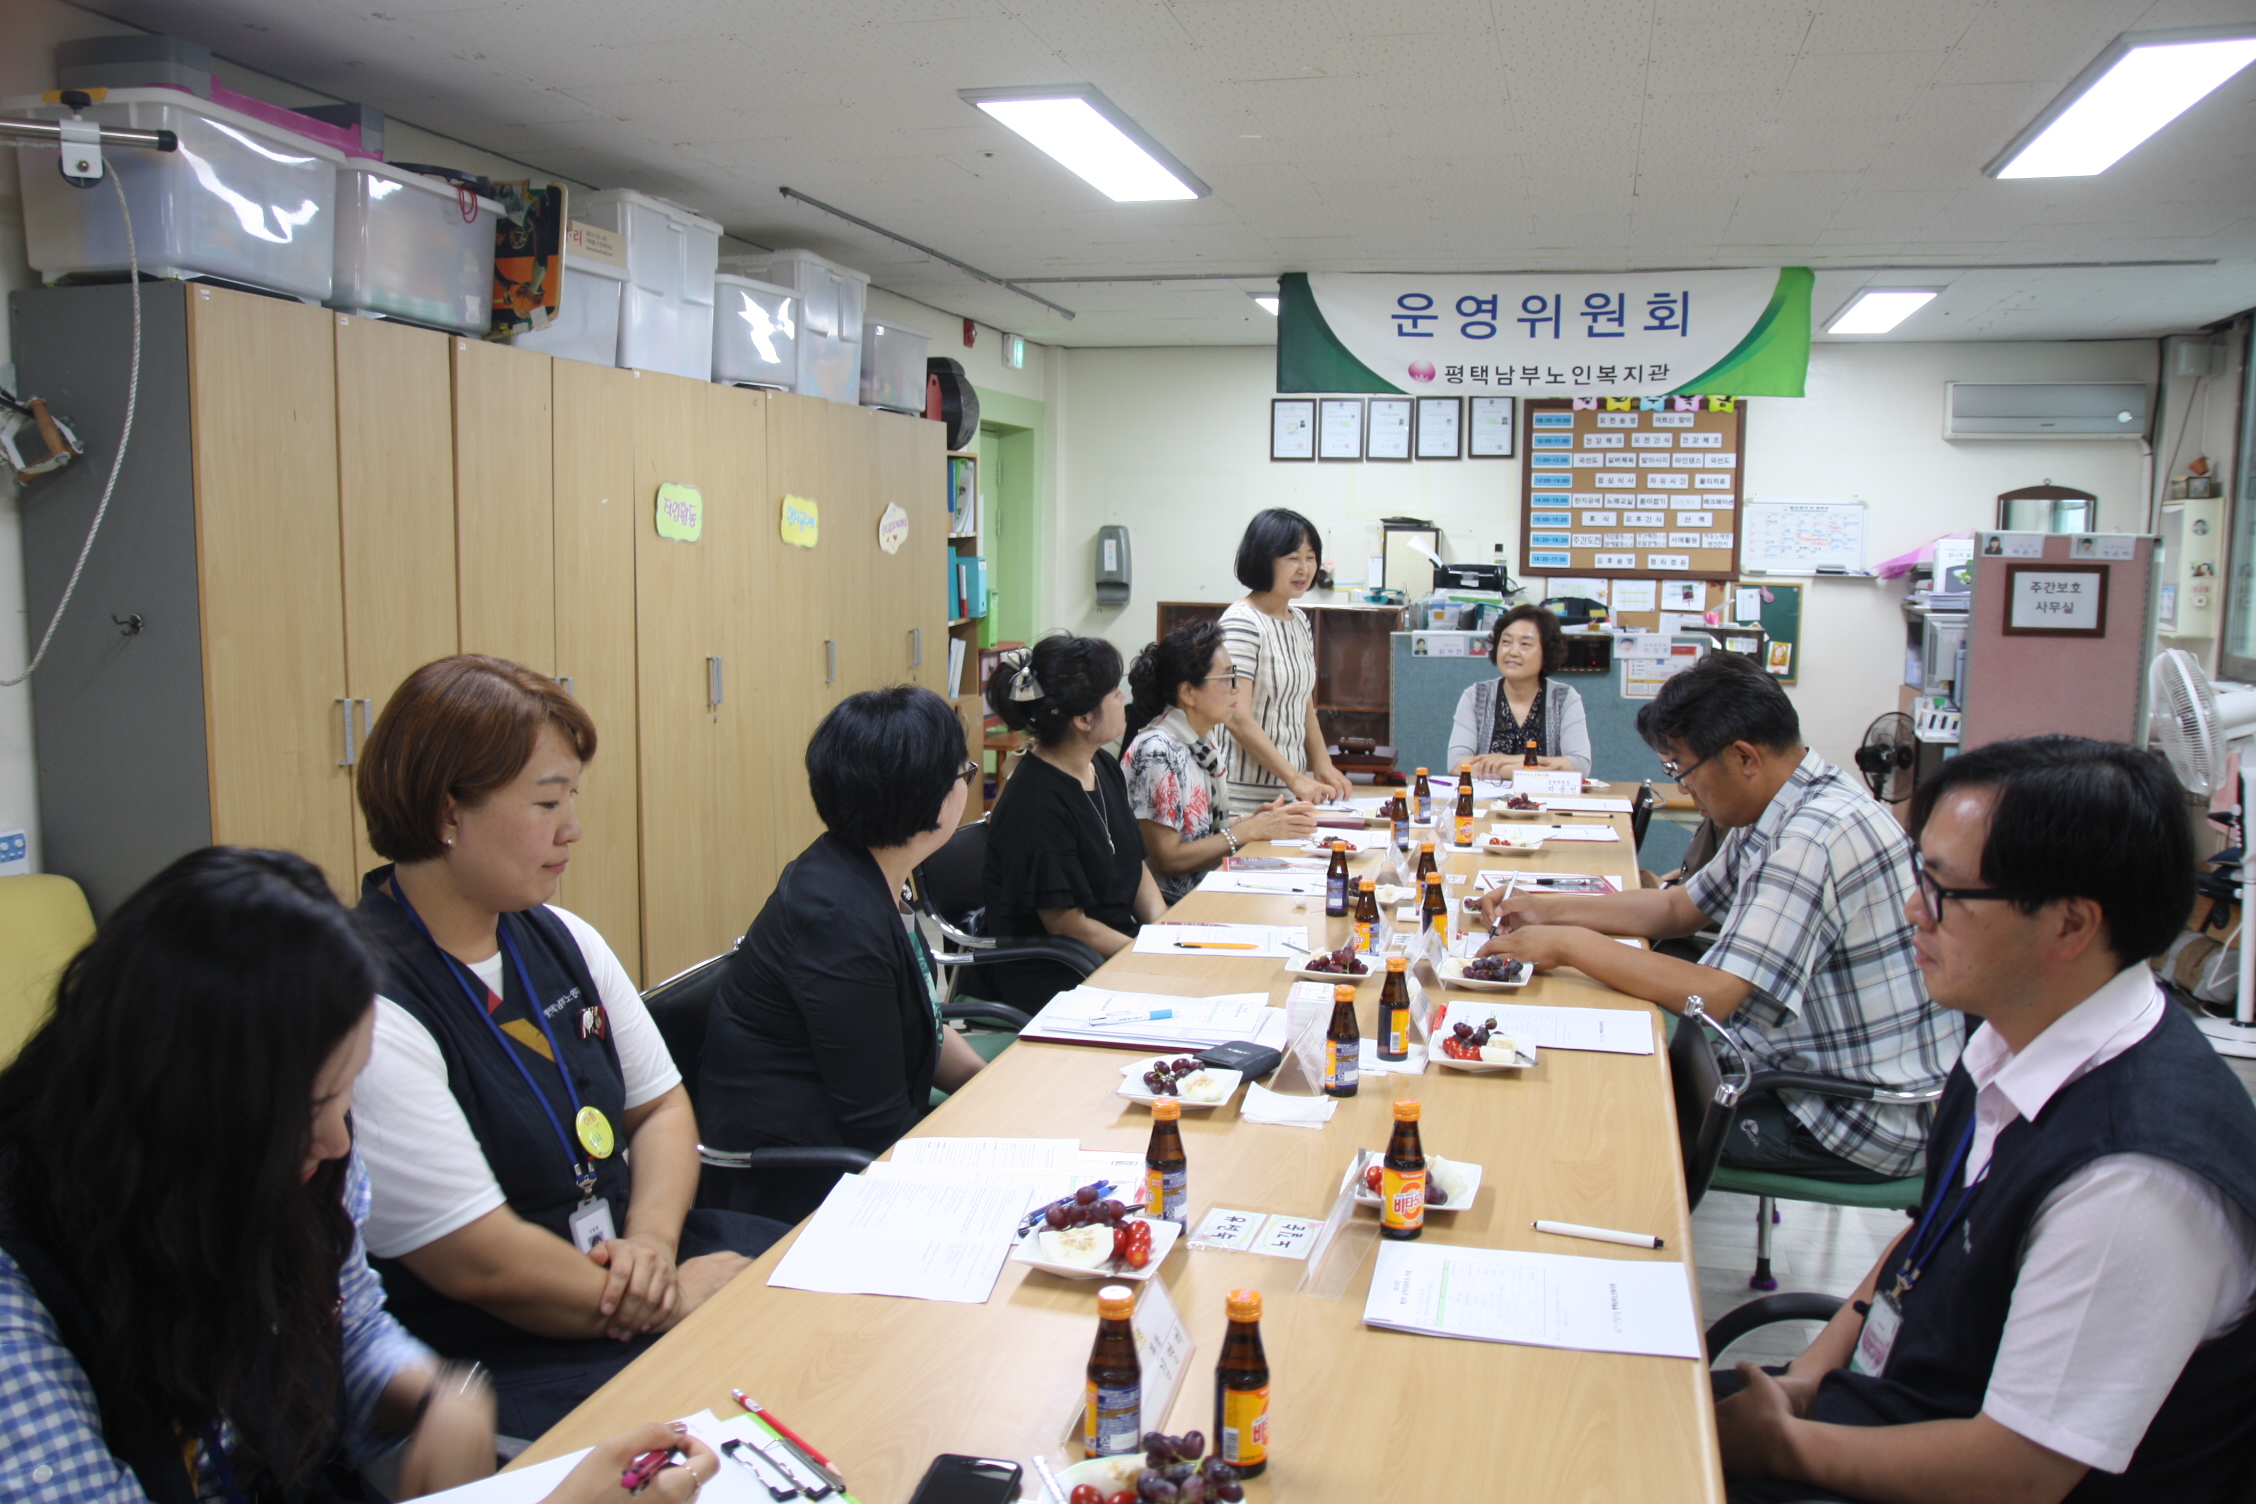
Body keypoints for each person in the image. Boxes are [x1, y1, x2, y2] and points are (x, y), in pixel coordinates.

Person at [0, 845, 718, 1504]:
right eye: (308, 1110)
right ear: (189, 1109)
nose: (337, 1141)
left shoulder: (297, 1164)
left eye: (344, 1099)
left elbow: (349, 1327)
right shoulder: (21, 1285)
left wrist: (435, 1395)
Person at [1714, 736, 2256, 1504]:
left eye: (1944, 890)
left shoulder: (2134, 1177)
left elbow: (2017, 1474)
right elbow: (1924, 1240)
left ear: (2070, 924)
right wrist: (1804, 1381)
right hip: (1890, 1407)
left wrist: (1784, 1445)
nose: (1913, 911)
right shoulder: (2010, 1038)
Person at [349, 655, 785, 1440]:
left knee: (810, 1292)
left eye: (572, 799)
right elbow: (480, 1261)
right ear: (448, 812)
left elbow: (660, 1108)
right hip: (500, 1350)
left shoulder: (560, 937)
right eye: (547, 802)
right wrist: (666, 1300)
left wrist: (652, 1244)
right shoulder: (370, 1008)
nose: (572, 827)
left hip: (632, 1264)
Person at [1477, 651, 1954, 1181]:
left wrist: (1569, 944)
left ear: (1744, 757)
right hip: (1797, 1065)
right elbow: (1679, 907)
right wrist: (1548, 910)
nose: (1684, 788)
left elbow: (1716, 995)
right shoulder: (1783, 802)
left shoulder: (1813, 836)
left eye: (1683, 769)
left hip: (1850, 1112)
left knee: (1607, 1125)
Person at [699, 687, 992, 1225]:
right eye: (964, 774)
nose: (966, 784)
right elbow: (878, 1127)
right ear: (928, 798)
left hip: (849, 1148)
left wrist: (992, 1087)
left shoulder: (869, 873)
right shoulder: (836, 920)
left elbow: (919, 1022)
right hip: (799, 1186)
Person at [983, 634, 1166, 1008]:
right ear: (1084, 719)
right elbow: (1067, 925)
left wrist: (1164, 936)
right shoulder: (1035, 802)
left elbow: (1135, 866)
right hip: (1061, 969)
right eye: (1113, 693)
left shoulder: (1101, 764)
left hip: (1116, 948)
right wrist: (1144, 957)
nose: (1123, 697)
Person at [1123, 621, 1319, 905]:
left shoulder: (1200, 741)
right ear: (1189, 692)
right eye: (1227, 677)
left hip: (1208, 888)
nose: (1236, 689)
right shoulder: (1157, 751)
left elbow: (1199, 832)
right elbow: (1167, 860)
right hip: (1173, 904)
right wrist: (1245, 831)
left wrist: (1254, 821)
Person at [1219, 508, 1354, 813]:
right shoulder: (1242, 622)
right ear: (1263, 559)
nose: (1304, 569)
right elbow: (1236, 716)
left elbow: (1302, 702)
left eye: (1311, 557)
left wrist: (1321, 763)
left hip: (1291, 789)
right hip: (1244, 794)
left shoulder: (1299, 621)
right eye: (1293, 558)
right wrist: (1294, 777)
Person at [1445, 604, 1593, 775]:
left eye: (1525, 644)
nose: (1513, 652)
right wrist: (1536, 768)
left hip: (1543, 794)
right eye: (1506, 642)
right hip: (1486, 794)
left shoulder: (1563, 698)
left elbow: (1580, 764)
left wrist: (1516, 760)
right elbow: (1457, 763)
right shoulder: (1476, 696)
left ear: (1547, 652)